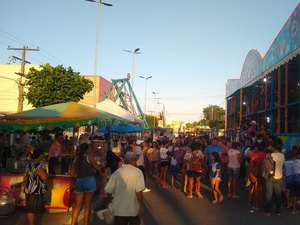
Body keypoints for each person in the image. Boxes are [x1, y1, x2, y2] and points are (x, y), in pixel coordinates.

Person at [105, 151, 145, 225]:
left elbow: (108, 192)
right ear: (134, 160)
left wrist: (109, 204)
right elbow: (139, 193)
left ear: (125, 160)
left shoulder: (117, 172)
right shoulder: (138, 172)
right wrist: (141, 206)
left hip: (119, 209)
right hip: (133, 210)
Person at [70, 143, 101, 225]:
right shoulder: (89, 158)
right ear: (87, 149)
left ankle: (72, 223)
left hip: (79, 181)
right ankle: (85, 223)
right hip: (89, 181)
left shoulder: (76, 159)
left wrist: (80, 174)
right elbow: (98, 168)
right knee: (87, 206)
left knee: (77, 206)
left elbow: (72, 174)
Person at [24, 144, 48, 225]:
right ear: (40, 156)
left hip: (29, 189)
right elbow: (44, 177)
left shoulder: (29, 165)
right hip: (36, 191)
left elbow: (25, 176)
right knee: (33, 211)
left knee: (30, 210)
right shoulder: (39, 165)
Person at [264, 138, 285, 216]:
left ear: (273, 147)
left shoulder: (269, 155)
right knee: (278, 194)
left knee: (269, 193)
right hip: (279, 176)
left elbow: (265, 165)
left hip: (270, 176)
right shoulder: (282, 155)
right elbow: (283, 165)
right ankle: (278, 211)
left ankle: (268, 211)